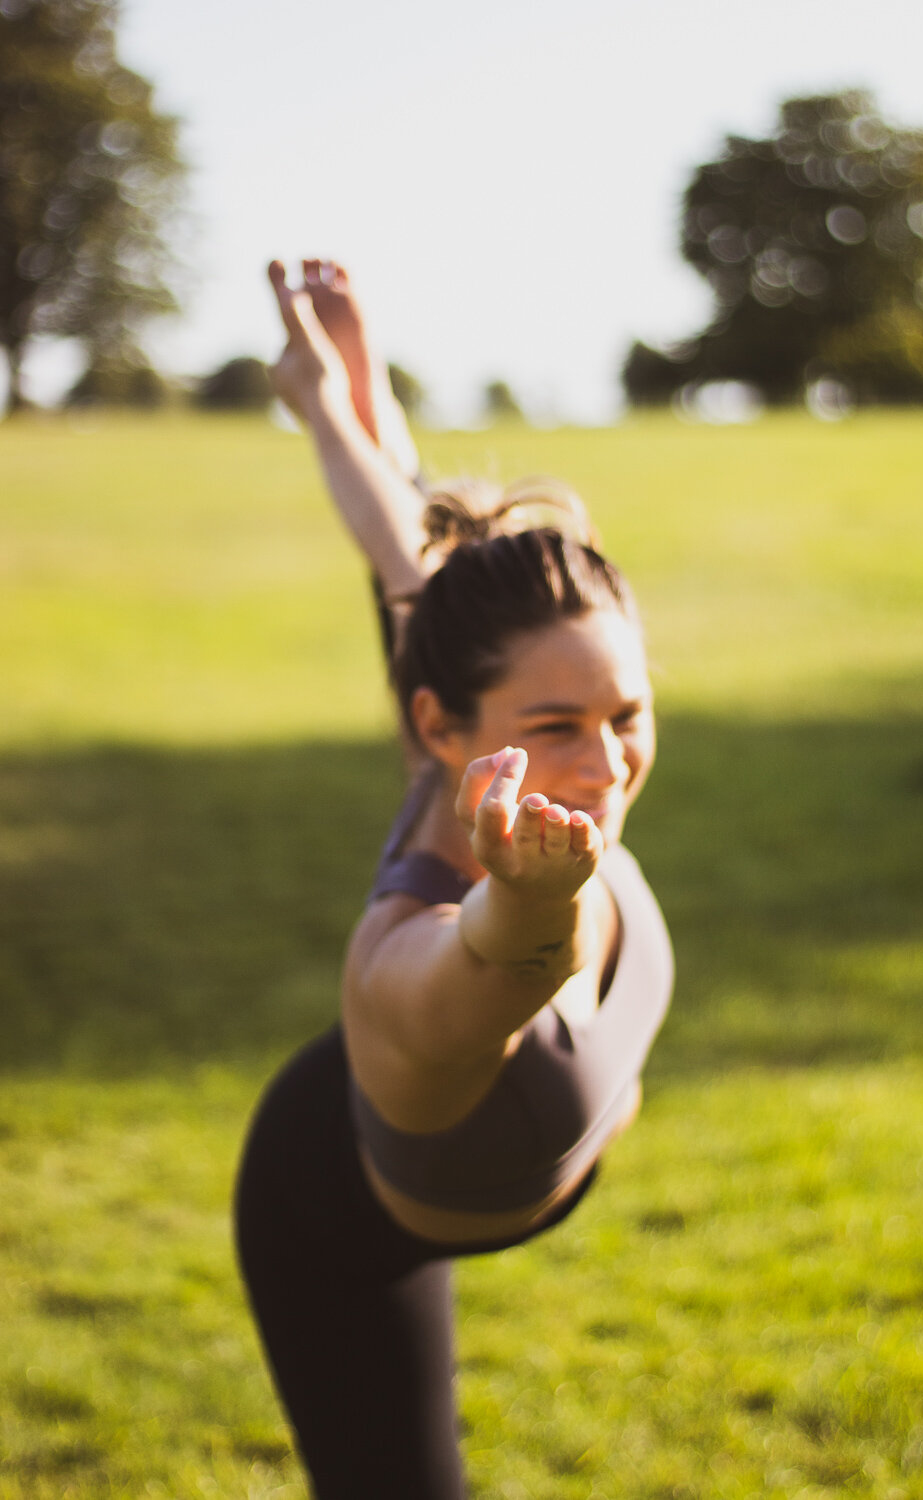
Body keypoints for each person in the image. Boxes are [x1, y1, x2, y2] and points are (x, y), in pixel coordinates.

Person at [234, 260, 675, 1500]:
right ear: (439, 726)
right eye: (555, 727)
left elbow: (404, 538)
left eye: (625, 713)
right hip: (325, 1209)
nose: (607, 764)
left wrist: (344, 395)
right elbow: (486, 961)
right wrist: (528, 898)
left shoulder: (469, 676)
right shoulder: (402, 962)